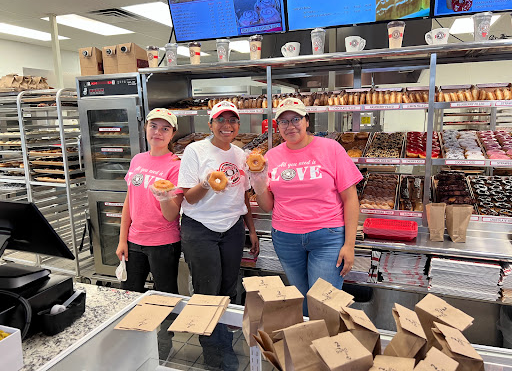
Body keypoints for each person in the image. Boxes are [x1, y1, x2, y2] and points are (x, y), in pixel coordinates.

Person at [250, 97, 362, 316]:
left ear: (307, 121)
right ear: (278, 126)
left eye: (295, 119)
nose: (290, 126)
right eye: (283, 122)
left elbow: (351, 199)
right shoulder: (271, 156)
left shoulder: (331, 149)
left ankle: (325, 346)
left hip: (327, 237)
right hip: (286, 238)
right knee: (300, 301)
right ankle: (305, 344)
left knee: (324, 303)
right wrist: (258, 182)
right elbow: (267, 206)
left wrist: (349, 244)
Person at [177, 100, 259, 371]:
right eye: (221, 120)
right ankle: (216, 360)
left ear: (238, 125)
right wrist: (206, 183)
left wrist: (252, 230)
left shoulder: (240, 154)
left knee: (228, 289)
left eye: (232, 120)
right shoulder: (195, 150)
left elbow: (244, 194)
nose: (227, 125)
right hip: (200, 228)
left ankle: (221, 342)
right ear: (210, 124)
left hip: (233, 229)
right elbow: (188, 196)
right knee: (207, 293)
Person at [116, 108, 183, 294]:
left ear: (172, 134)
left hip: (164, 243)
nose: (157, 133)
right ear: (145, 128)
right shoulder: (137, 160)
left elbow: (171, 215)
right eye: (153, 126)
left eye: (165, 129)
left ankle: (168, 324)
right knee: (129, 293)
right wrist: (122, 240)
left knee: (165, 296)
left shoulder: (176, 165)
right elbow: (129, 203)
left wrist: (164, 197)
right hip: (134, 241)